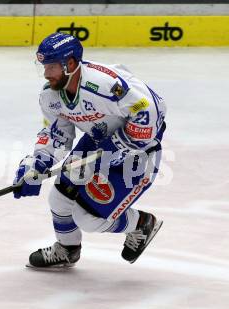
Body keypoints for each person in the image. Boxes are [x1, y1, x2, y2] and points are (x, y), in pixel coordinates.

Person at [13, 32, 166, 268]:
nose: (46, 74)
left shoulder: (104, 85)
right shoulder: (51, 96)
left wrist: (120, 145)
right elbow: (56, 135)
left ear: (71, 63)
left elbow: (150, 109)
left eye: (52, 66)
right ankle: (67, 249)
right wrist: (37, 164)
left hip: (138, 154)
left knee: (89, 219)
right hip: (96, 147)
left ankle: (141, 223)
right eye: (44, 67)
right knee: (59, 199)